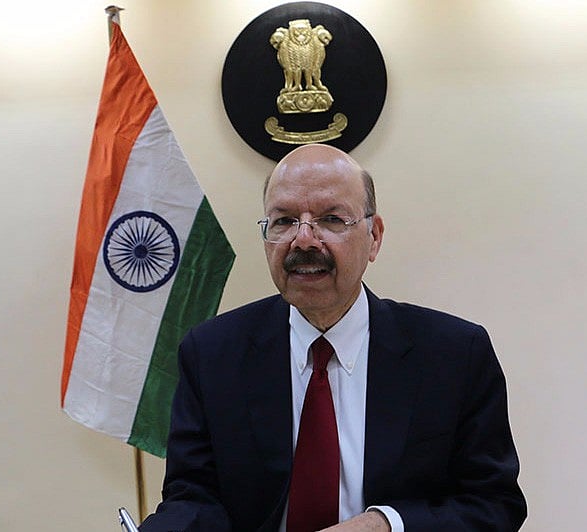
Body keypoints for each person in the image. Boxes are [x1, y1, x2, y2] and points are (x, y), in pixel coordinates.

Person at [139, 144, 526, 532]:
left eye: (331, 219)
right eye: (284, 221)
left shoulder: (454, 355)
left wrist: (385, 525)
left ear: (374, 237)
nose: (304, 240)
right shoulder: (211, 354)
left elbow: (494, 505)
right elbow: (193, 498)